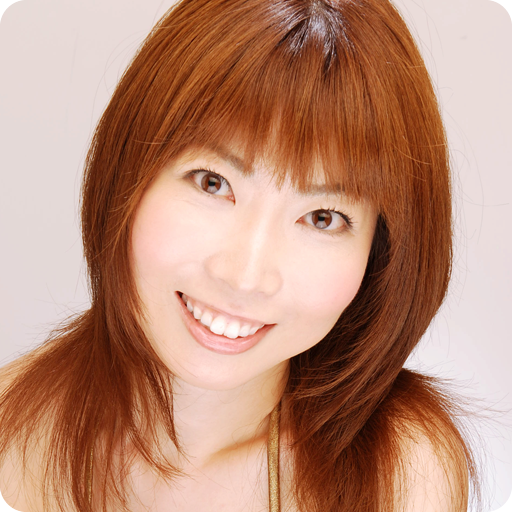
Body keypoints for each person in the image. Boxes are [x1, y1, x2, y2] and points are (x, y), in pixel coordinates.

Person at [0, 0, 479, 510]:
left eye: (322, 217)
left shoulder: (402, 470)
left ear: (381, 255)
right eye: (213, 182)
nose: (244, 276)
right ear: (128, 172)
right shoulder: (12, 434)